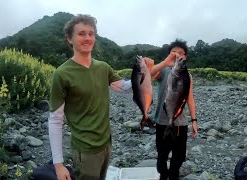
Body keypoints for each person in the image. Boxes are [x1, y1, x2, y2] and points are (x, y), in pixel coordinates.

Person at [48, 14, 176, 180]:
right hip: (85, 151)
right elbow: (55, 119)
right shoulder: (62, 74)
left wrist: (156, 66)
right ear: (69, 39)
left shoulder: (103, 68)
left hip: (106, 144)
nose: (87, 38)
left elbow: (126, 87)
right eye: (81, 34)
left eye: (91, 33)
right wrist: (58, 164)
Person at [148, 39, 198, 180]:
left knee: (179, 155)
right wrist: (165, 63)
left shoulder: (187, 75)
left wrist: (194, 120)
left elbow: (190, 99)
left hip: (180, 123)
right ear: (169, 54)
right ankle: (163, 175)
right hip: (162, 121)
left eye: (180, 53)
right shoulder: (164, 71)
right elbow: (148, 74)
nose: (177, 55)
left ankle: (174, 175)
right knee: (162, 154)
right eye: (173, 52)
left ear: (185, 57)